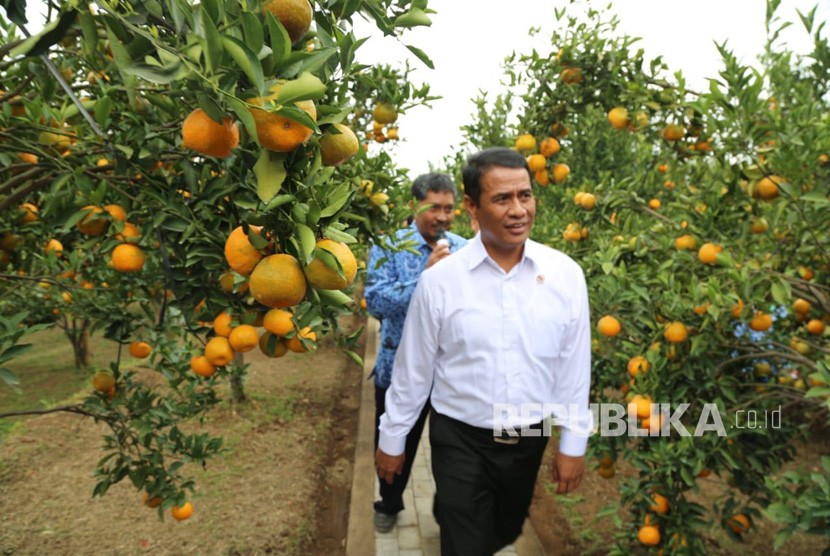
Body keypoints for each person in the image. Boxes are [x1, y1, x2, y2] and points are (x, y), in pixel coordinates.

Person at [375, 147, 592, 555]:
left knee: (504, 531)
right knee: (465, 542)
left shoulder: (564, 275)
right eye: (502, 199)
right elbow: (414, 371)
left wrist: (573, 441)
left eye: (524, 196)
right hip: (460, 437)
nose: (518, 210)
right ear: (473, 208)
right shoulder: (441, 282)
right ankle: (455, 509)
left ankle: (460, 512)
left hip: (528, 437)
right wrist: (393, 438)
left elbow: (573, 366)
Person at [364, 172, 468, 533]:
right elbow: (375, 302)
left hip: (451, 377)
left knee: (453, 456)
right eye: (434, 207)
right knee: (394, 449)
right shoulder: (389, 245)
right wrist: (424, 277)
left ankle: (446, 512)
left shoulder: (465, 248)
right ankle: (389, 503)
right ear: (415, 205)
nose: (442, 216)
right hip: (398, 372)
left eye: (449, 208)